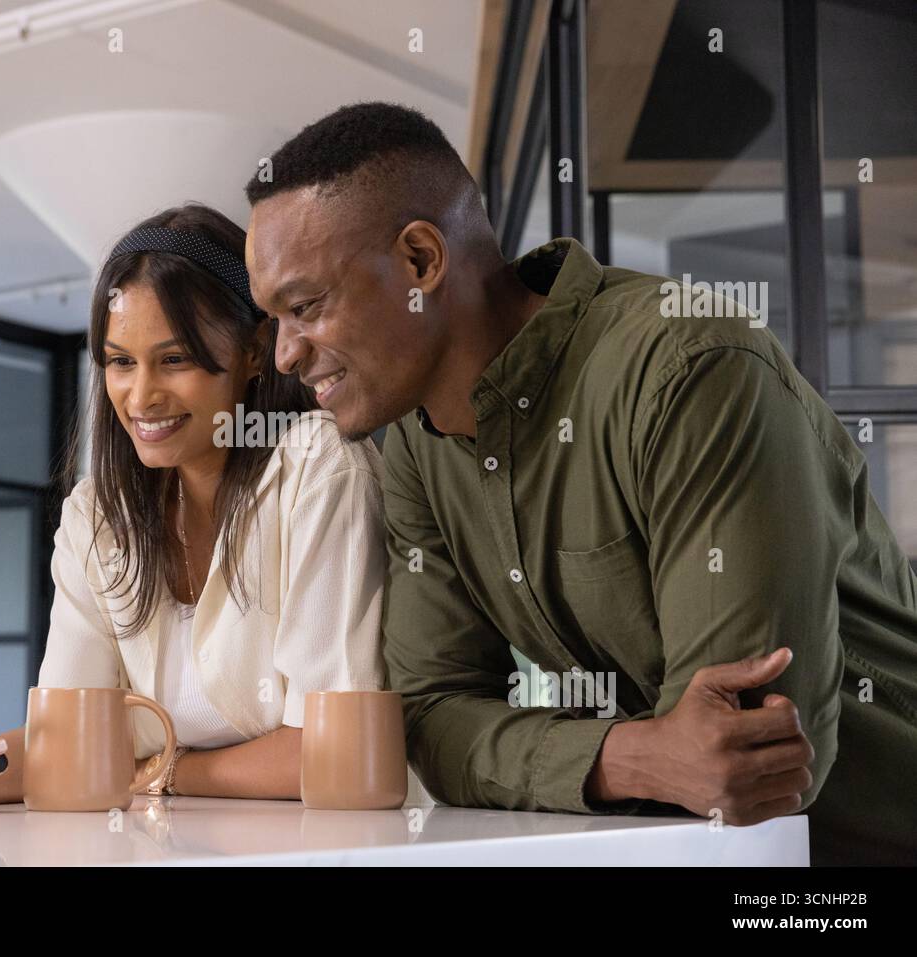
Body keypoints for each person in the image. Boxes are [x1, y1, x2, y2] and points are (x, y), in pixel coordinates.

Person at [243, 101, 917, 865]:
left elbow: (746, 768)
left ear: (421, 262)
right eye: (273, 320)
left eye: (304, 307)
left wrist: (628, 755)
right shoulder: (413, 446)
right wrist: (633, 753)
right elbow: (430, 718)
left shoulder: (691, 372)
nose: (285, 355)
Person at [0, 203, 387, 809]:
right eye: (120, 362)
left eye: (174, 360)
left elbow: (330, 755)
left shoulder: (315, 468)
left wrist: (160, 772)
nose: (141, 396)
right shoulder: (99, 514)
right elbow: (70, 745)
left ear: (255, 353)